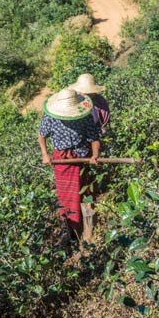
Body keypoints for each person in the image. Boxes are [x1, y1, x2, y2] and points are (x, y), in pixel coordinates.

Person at [38, 88, 101, 246]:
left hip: (82, 157)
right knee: (66, 197)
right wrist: (45, 154)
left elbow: (94, 137)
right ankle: (70, 231)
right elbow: (41, 134)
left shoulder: (85, 116)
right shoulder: (50, 118)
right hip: (62, 160)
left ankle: (88, 231)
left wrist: (95, 155)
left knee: (86, 193)